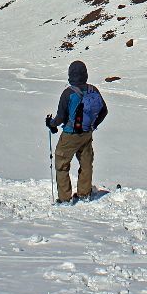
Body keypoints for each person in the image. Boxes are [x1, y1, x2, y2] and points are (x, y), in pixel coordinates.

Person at [45, 60, 108, 203]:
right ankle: (84, 194)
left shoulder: (68, 93)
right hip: (86, 134)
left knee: (62, 164)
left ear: (71, 75)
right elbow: (104, 111)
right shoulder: (93, 90)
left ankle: (65, 198)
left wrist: (51, 124)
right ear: (85, 74)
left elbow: (60, 118)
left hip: (70, 135)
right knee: (86, 163)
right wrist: (93, 125)